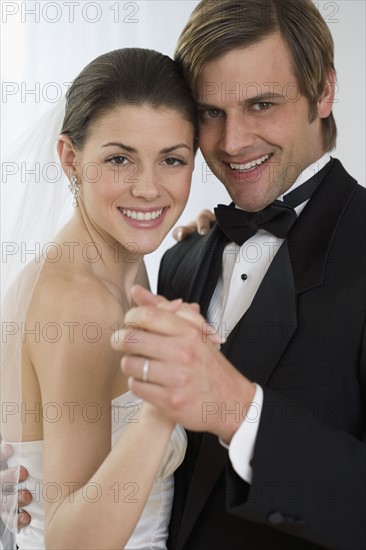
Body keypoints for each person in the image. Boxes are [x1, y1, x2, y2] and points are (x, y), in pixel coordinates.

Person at [113, 1, 366, 549]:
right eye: (210, 112)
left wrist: (238, 409)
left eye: (262, 104)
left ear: (323, 92)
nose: (232, 143)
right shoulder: (179, 260)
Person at [0, 46, 218, 550]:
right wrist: (164, 404)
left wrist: (207, 246)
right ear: (70, 159)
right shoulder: (82, 304)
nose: (147, 188)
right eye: (119, 159)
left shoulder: (122, 262)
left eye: (172, 159)